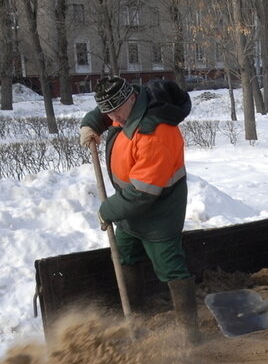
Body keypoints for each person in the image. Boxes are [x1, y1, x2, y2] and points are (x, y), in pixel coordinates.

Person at [79, 76, 199, 343]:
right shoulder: (128, 106)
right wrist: (91, 124)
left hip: (159, 213)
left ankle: (190, 336)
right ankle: (136, 320)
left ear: (131, 99)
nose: (113, 119)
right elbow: (106, 112)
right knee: (125, 256)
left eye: (115, 112)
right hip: (130, 211)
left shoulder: (155, 133)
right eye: (108, 113)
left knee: (170, 267)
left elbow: (143, 192)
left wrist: (108, 210)